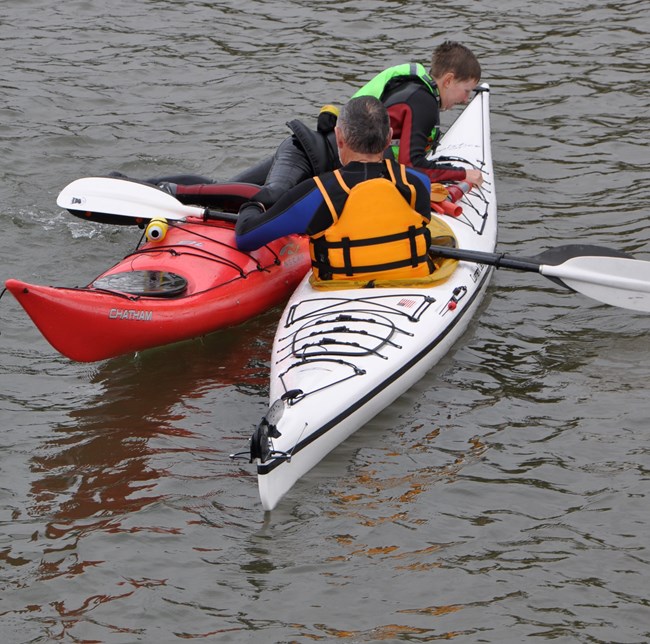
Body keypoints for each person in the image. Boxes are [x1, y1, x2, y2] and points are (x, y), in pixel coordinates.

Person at [235, 96, 436, 283]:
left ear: (339, 137)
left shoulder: (316, 193)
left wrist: (253, 205)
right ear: (388, 138)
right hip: (410, 287)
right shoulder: (418, 183)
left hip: (337, 294)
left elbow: (246, 237)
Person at [352, 40, 483, 186]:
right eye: (466, 91)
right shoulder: (424, 103)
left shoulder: (415, 90)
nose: (466, 100)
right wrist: (463, 174)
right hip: (352, 166)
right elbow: (412, 166)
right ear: (448, 80)